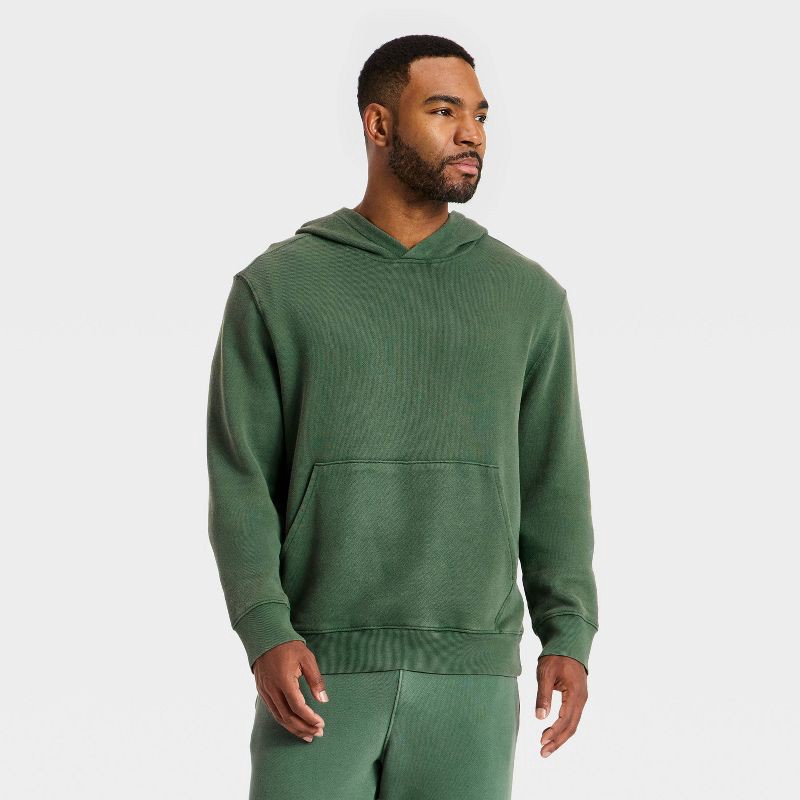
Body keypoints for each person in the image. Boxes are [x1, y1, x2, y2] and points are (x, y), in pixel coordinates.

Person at [207, 33, 599, 800]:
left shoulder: (527, 297)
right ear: (379, 124)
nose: (472, 134)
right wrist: (264, 627)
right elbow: (241, 478)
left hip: (471, 676)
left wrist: (570, 631)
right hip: (315, 666)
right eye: (444, 111)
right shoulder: (278, 288)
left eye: (480, 115)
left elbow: (556, 479)